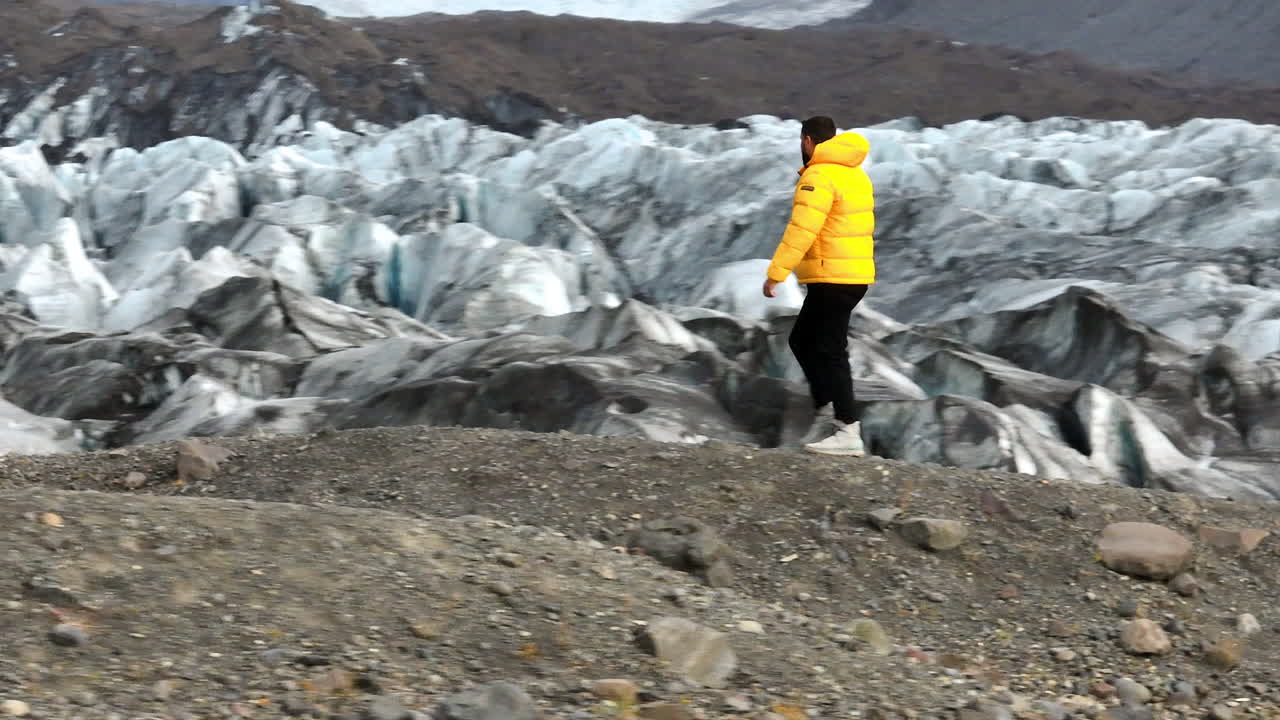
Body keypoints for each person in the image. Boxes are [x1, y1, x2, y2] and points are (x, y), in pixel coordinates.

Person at [762, 115, 875, 457]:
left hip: (833, 277)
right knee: (803, 340)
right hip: (851, 275)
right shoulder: (854, 173)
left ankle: (848, 429)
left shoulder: (818, 175)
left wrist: (776, 272)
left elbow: (802, 230)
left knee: (830, 349)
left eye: (802, 142)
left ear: (808, 141)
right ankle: (827, 411)